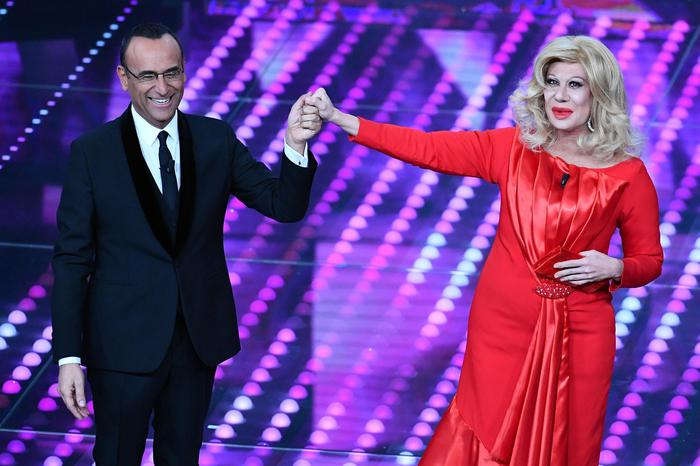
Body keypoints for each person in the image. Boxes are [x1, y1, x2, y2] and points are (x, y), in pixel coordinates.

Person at [308, 35, 662, 466]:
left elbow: (650, 261)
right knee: (483, 428)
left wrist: (616, 267)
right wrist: (342, 120)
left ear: (599, 93)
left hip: (583, 332)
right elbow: (427, 148)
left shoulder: (628, 174)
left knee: (568, 439)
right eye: (552, 83)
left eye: (575, 84)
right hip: (502, 326)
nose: (560, 96)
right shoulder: (511, 148)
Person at [51, 22, 321, 465]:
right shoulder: (93, 152)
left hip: (196, 342)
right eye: (147, 76)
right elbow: (71, 259)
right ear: (124, 78)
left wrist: (294, 144)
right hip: (120, 344)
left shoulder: (215, 139)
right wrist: (67, 356)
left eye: (171, 73)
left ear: (184, 72)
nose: (162, 88)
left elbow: (283, 205)